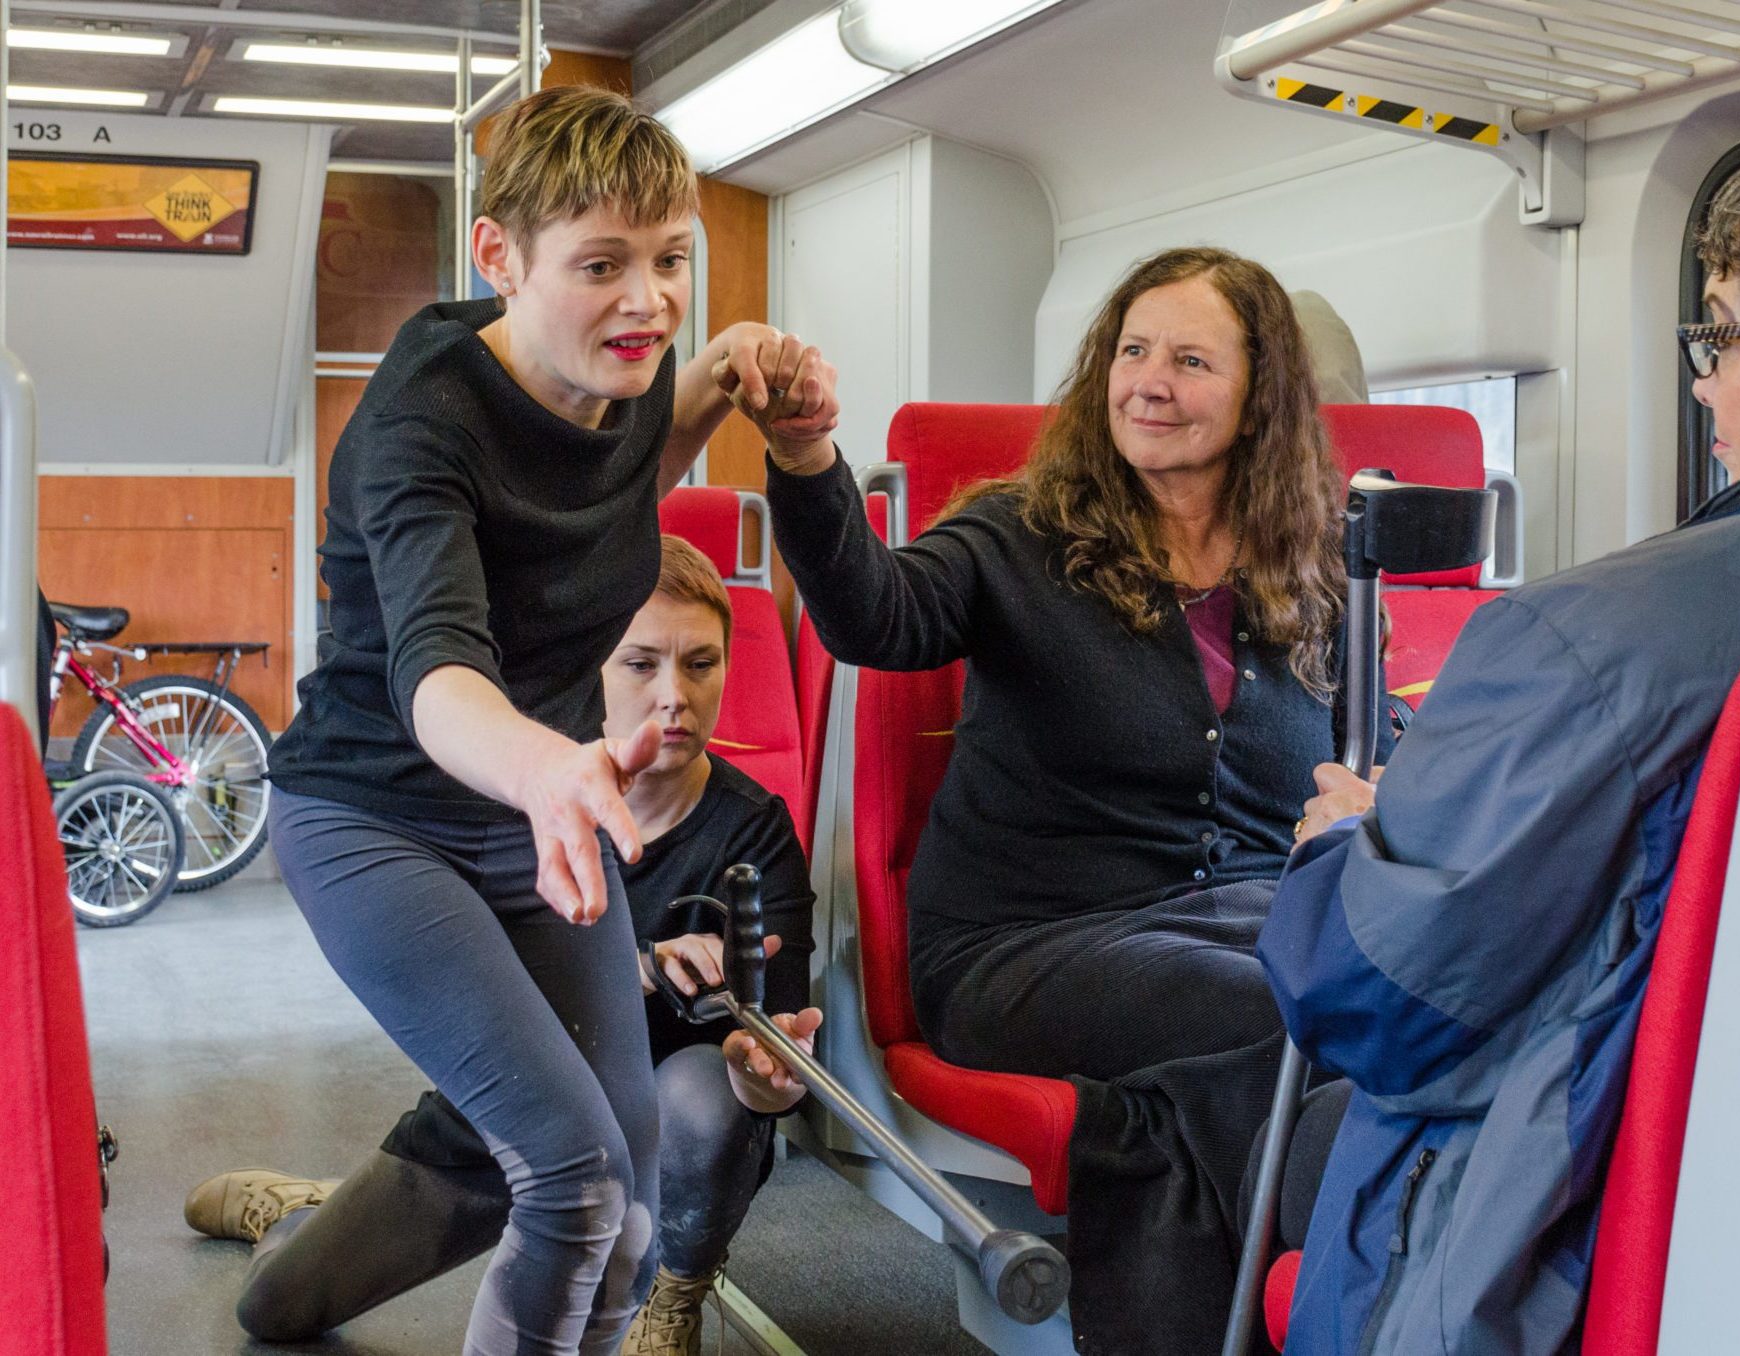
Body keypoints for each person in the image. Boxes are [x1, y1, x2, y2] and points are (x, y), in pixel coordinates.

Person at [1259, 122, 1740, 1356]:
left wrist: (1342, 847)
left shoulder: (1582, 640)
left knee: (1240, 1111)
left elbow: (1371, 998)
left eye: (1718, 334)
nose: (1695, 380)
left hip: (1551, 1224)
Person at [258, 85, 836, 1355]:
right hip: (378, 816)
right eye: (601, 266)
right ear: (499, 258)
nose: (648, 301)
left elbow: (645, 455)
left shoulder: (627, 376)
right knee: (573, 1176)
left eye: (671, 259)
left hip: (527, 815)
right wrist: (551, 771)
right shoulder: (423, 425)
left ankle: (289, 1279)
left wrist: (739, 360)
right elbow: (437, 675)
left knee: (623, 1173)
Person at [755, 245, 1379, 1353]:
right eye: (1134, 351)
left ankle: (1333, 1294)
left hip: (1233, 920)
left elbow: (1377, 742)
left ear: (1260, 399)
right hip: (1024, 946)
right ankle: (1360, 1273)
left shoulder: (1306, 566)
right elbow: (872, 615)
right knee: (1295, 1006)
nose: (1150, 381)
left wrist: (1380, 800)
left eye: (1191, 360)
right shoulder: (1018, 534)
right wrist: (807, 458)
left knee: (1382, 979)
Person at [187, 536, 819, 1355]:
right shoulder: (513, 801)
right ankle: (306, 1210)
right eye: (640, 665)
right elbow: (493, 993)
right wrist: (642, 970)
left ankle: (666, 1299)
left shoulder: (756, 829)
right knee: (276, 1309)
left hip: (651, 1152)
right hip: (513, 1126)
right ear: (587, 667)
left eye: (701, 664)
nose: (674, 697)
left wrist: (761, 1075)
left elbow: (781, 1076)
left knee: (703, 1092)